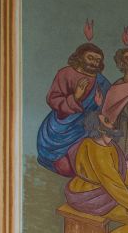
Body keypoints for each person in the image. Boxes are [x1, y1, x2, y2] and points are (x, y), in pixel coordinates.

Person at [35, 37, 107, 176]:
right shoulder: (65, 73)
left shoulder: (101, 81)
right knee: (63, 166)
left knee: (83, 163)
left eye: (97, 60)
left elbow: (108, 105)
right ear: (80, 57)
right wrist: (75, 98)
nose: (94, 62)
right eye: (90, 57)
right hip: (61, 127)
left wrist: (100, 105)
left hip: (86, 128)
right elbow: (53, 99)